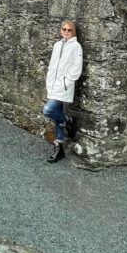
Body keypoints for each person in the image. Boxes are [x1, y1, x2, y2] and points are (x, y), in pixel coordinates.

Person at [42, 19, 83, 163]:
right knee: (56, 117)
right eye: (64, 29)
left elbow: (77, 68)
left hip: (63, 85)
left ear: (73, 32)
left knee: (48, 109)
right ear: (61, 30)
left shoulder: (76, 47)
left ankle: (68, 119)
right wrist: (49, 80)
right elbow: (52, 65)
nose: (66, 32)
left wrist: (66, 81)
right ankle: (59, 148)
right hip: (53, 84)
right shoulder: (57, 45)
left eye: (69, 30)